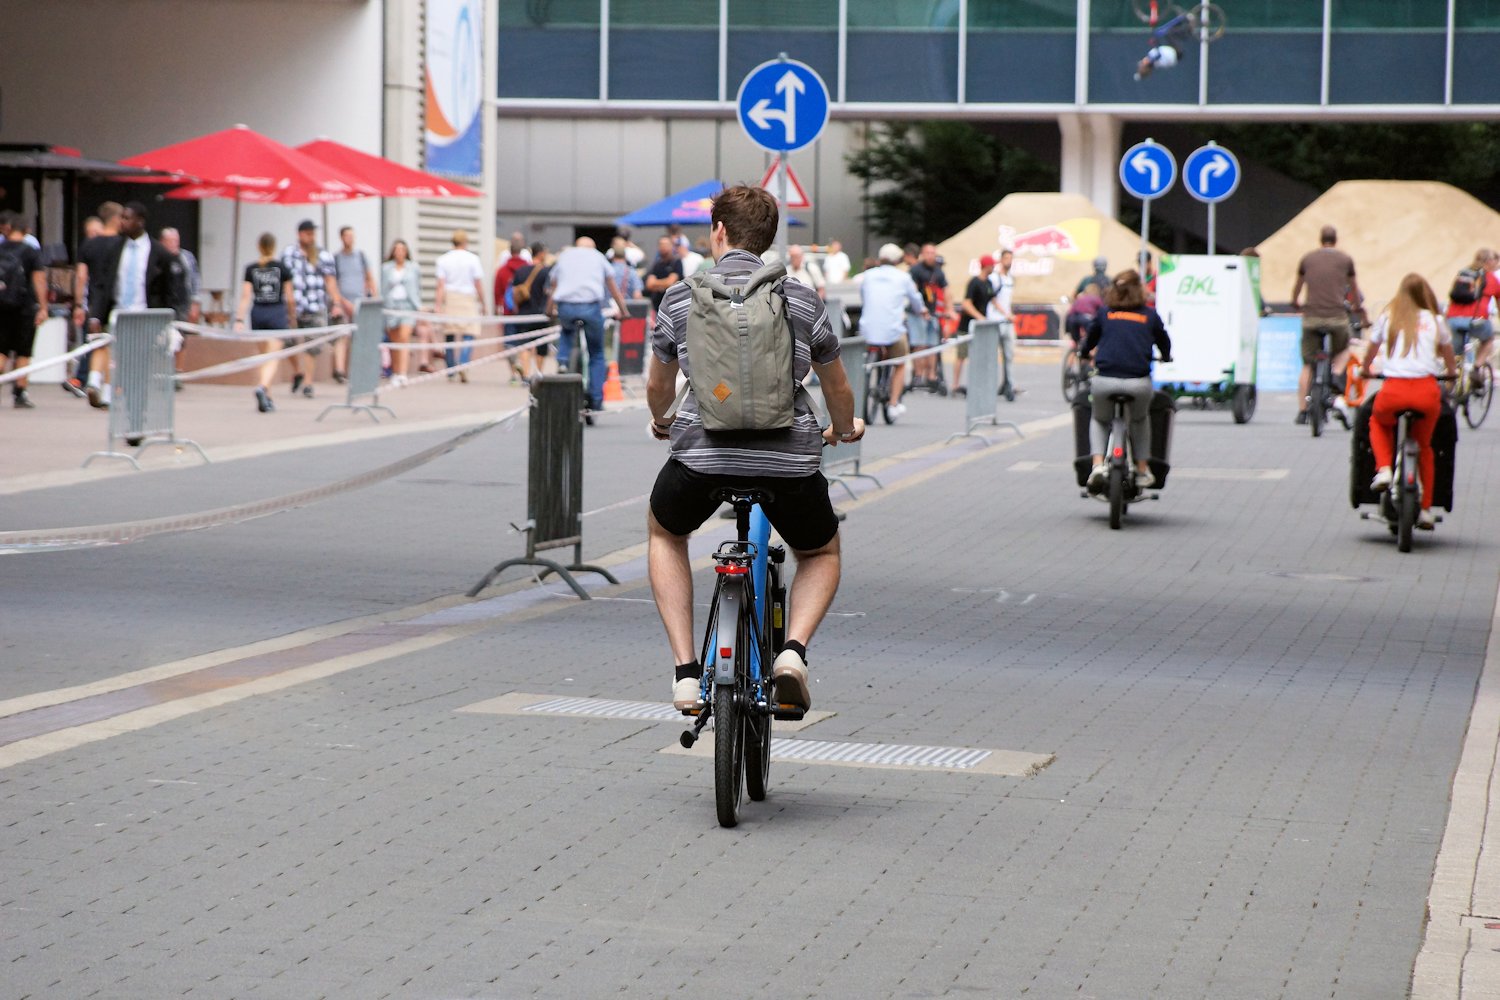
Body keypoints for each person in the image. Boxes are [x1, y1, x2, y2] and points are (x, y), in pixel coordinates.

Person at [645, 184, 865, 713]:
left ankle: (684, 674)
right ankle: (792, 654)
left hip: (701, 460)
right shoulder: (802, 298)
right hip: (788, 462)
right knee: (820, 552)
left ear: (718, 232)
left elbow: (658, 385)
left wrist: (662, 418)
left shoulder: (681, 296)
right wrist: (843, 427)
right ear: (767, 239)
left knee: (664, 533)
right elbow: (837, 387)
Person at [1364, 274, 1458, 530]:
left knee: (1377, 421)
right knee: (1425, 446)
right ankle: (1426, 510)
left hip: (1393, 391)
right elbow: (1449, 357)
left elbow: (1371, 350)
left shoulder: (1388, 317)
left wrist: (1365, 368)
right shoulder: (1436, 321)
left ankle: (1383, 469)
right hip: (1426, 392)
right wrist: (1451, 374)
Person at [1080, 269, 1172, 491]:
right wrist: (1166, 356)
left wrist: (1085, 354)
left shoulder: (1104, 313)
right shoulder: (1149, 315)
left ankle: (1098, 466)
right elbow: (1164, 341)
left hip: (1105, 381)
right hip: (1138, 382)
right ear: (1139, 289)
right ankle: (1142, 470)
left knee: (1100, 419)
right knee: (1140, 420)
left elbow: (1089, 341)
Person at [545, 236, 629, 412]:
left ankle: (563, 361)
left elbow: (554, 284)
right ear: (592, 246)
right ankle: (596, 398)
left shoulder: (565, 256)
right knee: (597, 353)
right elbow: (612, 285)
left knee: (567, 332)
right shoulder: (598, 256)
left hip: (566, 306)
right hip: (590, 307)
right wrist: (624, 310)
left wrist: (549, 308)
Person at [1291, 225, 1361, 424]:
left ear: (1320, 239)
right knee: (1343, 350)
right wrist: (1356, 307)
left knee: (1307, 365)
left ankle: (1302, 411)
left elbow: (1297, 286)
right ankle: (1336, 377)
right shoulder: (1345, 260)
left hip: (1311, 317)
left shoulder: (1307, 258)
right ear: (1335, 240)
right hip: (1337, 317)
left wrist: (1296, 302)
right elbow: (1354, 288)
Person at [858, 242, 926, 422]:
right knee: (901, 362)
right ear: (898, 260)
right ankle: (894, 403)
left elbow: (863, 296)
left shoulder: (868, 275)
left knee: (867, 358)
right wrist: (922, 311)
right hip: (892, 330)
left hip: (868, 329)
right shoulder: (903, 277)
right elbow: (916, 299)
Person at [233, 232, 296, 412]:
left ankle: (267, 396)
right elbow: (290, 298)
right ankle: (262, 387)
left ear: (259, 246)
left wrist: (239, 319)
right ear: (273, 246)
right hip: (276, 312)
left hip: (258, 313)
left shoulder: (251, 268)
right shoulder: (282, 268)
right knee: (274, 356)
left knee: (263, 357)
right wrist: (292, 317)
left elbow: (246, 296)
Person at [281, 219, 340, 398]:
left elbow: (330, 282)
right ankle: (298, 371)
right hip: (294, 305)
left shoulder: (323, 255)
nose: (311, 237)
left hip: (315, 304)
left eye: (313, 233)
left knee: (312, 345)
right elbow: (285, 281)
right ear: (300, 234)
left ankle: (308, 382)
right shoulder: (289, 254)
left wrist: (336, 303)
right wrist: (288, 302)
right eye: (308, 233)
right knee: (286, 342)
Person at [71, 201, 122, 406]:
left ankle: (92, 379)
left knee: (98, 343)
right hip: (116, 300)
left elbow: (81, 276)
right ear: (116, 219)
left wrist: (78, 304)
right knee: (113, 347)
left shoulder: (89, 244)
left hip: (94, 301)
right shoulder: (122, 244)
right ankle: (108, 391)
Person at [0, 211, 48, 409]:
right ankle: (20, 392)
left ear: (8, 229)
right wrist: (43, 306)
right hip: (25, 307)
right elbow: (38, 279)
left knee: (1, 349)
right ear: (26, 230)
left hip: (1, 305)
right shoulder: (31, 251)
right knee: (23, 351)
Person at [433, 229, 487, 382]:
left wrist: (438, 305)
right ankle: (463, 363)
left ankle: (451, 369)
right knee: (469, 332)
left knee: (449, 334)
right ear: (465, 242)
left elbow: (440, 285)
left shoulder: (443, 259)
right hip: (468, 297)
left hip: (450, 297)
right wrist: (483, 303)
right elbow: (478, 283)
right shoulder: (473, 259)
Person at [332, 226, 376, 383]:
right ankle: (339, 370)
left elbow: (370, 278)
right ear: (341, 238)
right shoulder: (336, 258)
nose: (350, 239)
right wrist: (340, 302)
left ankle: (357, 370)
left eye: (352, 236)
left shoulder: (361, 256)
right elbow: (332, 283)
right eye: (347, 236)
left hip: (360, 302)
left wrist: (374, 299)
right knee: (342, 335)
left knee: (360, 337)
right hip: (343, 303)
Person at [1444, 248, 1499, 371]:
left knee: (1455, 358)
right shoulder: (1491, 279)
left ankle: (1451, 384)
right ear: (1489, 261)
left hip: (1453, 319)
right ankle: (1477, 367)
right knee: (1488, 339)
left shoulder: (1462, 275)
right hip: (1476, 320)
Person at [954, 254, 999, 397]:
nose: (994, 267)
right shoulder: (974, 282)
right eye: (992, 265)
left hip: (980, 327)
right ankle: (955, 385)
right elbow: (966, 304)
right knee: (962, 355)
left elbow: (993, 300)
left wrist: (1006, 314)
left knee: (979, 356)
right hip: (967, 325)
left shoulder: (989, 283)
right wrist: (979, 317)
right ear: (986, 266)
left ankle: (977, 384)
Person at [907, 243, 948, 388]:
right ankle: (918, 374)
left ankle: (931, 375)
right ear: (923, 254)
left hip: (933, 313)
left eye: (933, 253)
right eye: (928, 253)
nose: (931, 256)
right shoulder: (916, 270)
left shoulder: (938, 272)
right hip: (917, 313)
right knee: (919, 344)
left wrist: (948, 310)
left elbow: (945, 290)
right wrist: (921, 309)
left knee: (933, 345)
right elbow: (913, 292)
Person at [381, 239, 422, 381]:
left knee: (404, 338)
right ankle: (396, 371)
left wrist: (419, 306)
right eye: (397, 250)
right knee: (394, 341)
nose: (399, 253)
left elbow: (417, 288)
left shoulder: (413, 268)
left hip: (407, 306)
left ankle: (403, 373)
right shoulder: (386, 268)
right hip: (391, 306)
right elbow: (383, 289)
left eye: (402, 250)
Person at [509, 242, 552, 378]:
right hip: (541, 314)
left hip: (523, 314)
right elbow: (549, 292)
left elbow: (514, 292)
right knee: (541, 347)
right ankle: (538, 374)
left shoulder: (520, 271)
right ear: (541, 253)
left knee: (524, 345)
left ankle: (526, 375)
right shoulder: (546, 272)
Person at [988, 248, 1018, 398]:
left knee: (1009, 354)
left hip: (1007, 321)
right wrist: (1005, 314)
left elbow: (1007, 301)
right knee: (993, 355)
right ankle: (990, 385)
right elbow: (992, 299)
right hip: (996, 320)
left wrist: (1009, 313)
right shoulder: (994, 278)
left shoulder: (1009, 279)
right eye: (1006, 258)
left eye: (1011, 258)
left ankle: (1009, 384)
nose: (1009, 261)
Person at [1135, 11, 1196, 79]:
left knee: (1169, 33)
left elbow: (1159, 52)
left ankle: (1183, 23)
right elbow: (1158, 55)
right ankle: (1187, 26)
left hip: (1174, 52)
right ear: (1145, 65)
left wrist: (1156, 42)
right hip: (1176, 53)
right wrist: (1155, 43)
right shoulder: (1152, 60)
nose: (1142, 61)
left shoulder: (1151, 59)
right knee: (1169, 33)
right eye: (1142, 63)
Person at [159, 227, 201, 323]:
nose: (174, 243)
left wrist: (195, 302)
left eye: (176, 240)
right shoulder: (157, 257)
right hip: (164, 304)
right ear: (162, 241)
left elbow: (195, 279)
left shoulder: (187, 257)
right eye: (171, 241)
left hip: (183, 303)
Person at [644, 235, 683, 316]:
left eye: (666, 244)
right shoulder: (657, 264)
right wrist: (664, 284)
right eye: (661, 244)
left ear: (671, 246)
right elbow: (649, 284)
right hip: (658, 307)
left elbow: (670, 282)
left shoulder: (676, 262)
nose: (663, 247)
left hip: (673, 307)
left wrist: (656, 283)